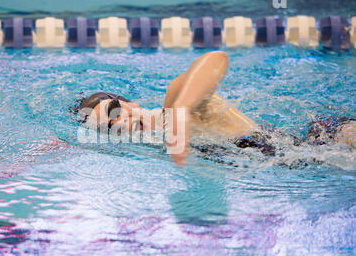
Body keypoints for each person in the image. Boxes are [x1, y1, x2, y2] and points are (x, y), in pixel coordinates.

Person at [73, 51, 355, 166]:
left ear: (128, 102)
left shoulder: (174, 103)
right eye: (109, 127)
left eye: (114, 110)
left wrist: (182, 111)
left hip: (327, 140)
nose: (120, 121)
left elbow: (216, 59)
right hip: (309, 161)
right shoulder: (159, 149)